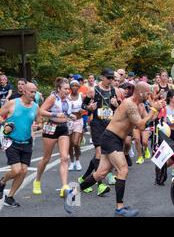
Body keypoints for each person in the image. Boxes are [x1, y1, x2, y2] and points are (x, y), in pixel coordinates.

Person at [66, 82, 165, 216]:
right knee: (123, 169)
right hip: (111, 138)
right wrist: (154, 110)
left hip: (116, 139)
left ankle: (73, 192)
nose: (150, 96)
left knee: (100, 173)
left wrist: (156, 109)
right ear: (141, 93)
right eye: (148, 93)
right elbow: (140, 126)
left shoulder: (139, 105)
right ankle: (119, 208)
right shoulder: (129, 104)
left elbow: (146, 122)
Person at [79, 68, 119, 196]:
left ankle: (84, 178)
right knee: (99, 152)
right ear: (102, 77)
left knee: (100, 156)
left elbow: (113, 107)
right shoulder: (93, 90)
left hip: (109, 125)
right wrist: (89, 108)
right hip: (97, 125)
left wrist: (115, 105)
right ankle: (100, 185)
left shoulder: (113, 90)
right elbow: (83, 106)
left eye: (112, 78)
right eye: (108, 78)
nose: (111, 80)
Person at [0, 83, 41, 207]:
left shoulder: (35, 107)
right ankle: (2, 181)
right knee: (16, 170)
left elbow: (40, 122)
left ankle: (10, 196)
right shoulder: (13, 103)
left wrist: (38, 126)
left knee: (23, 171)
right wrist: (4, 125)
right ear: (24, 91)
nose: (33, 95)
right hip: (11, 141)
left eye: (35, 92)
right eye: (31, 92)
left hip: (26, 142)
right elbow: (0, 115)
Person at [33, 77, 72, 197]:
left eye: (68, 88)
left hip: (63, 128)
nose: (67, 91)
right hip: (51, 128)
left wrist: (70, 116)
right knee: (46, 158)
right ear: (59, 89)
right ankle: (37, 180)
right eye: (65, 89)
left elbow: (65, 113)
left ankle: (64, 186)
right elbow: (41, 111)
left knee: (64, 158)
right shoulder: (52, 98)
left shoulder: (68, 99)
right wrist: (55, 114)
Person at [68, 80, 85, 171]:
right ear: (70, 87)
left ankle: (77, 160)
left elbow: (86, 106)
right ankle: (72, 162)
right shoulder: (67, 97)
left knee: (76, 143)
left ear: (79, 87)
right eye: (73, 85)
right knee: (70, 144)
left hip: (78, 121)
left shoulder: (81, 96)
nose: (74, 87)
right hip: (69, 121)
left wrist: (83, 110)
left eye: (76, 85)